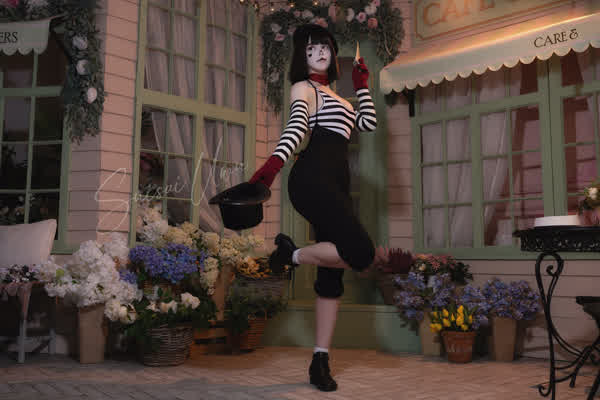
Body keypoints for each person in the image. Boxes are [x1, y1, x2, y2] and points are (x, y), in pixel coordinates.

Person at [249, 24, 386, 392]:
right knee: (361, 253)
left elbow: (368, 122)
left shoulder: (338, 97)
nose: (320, 52)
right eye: (310, 49)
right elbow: (296, 128)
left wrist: (361, 85)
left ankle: (320, 360)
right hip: (311, 180)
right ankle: (292, 256)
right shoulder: (304, 88)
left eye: (324, 46)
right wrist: (269, 170)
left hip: (336, 186)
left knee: (330, 277)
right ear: (302, 56)